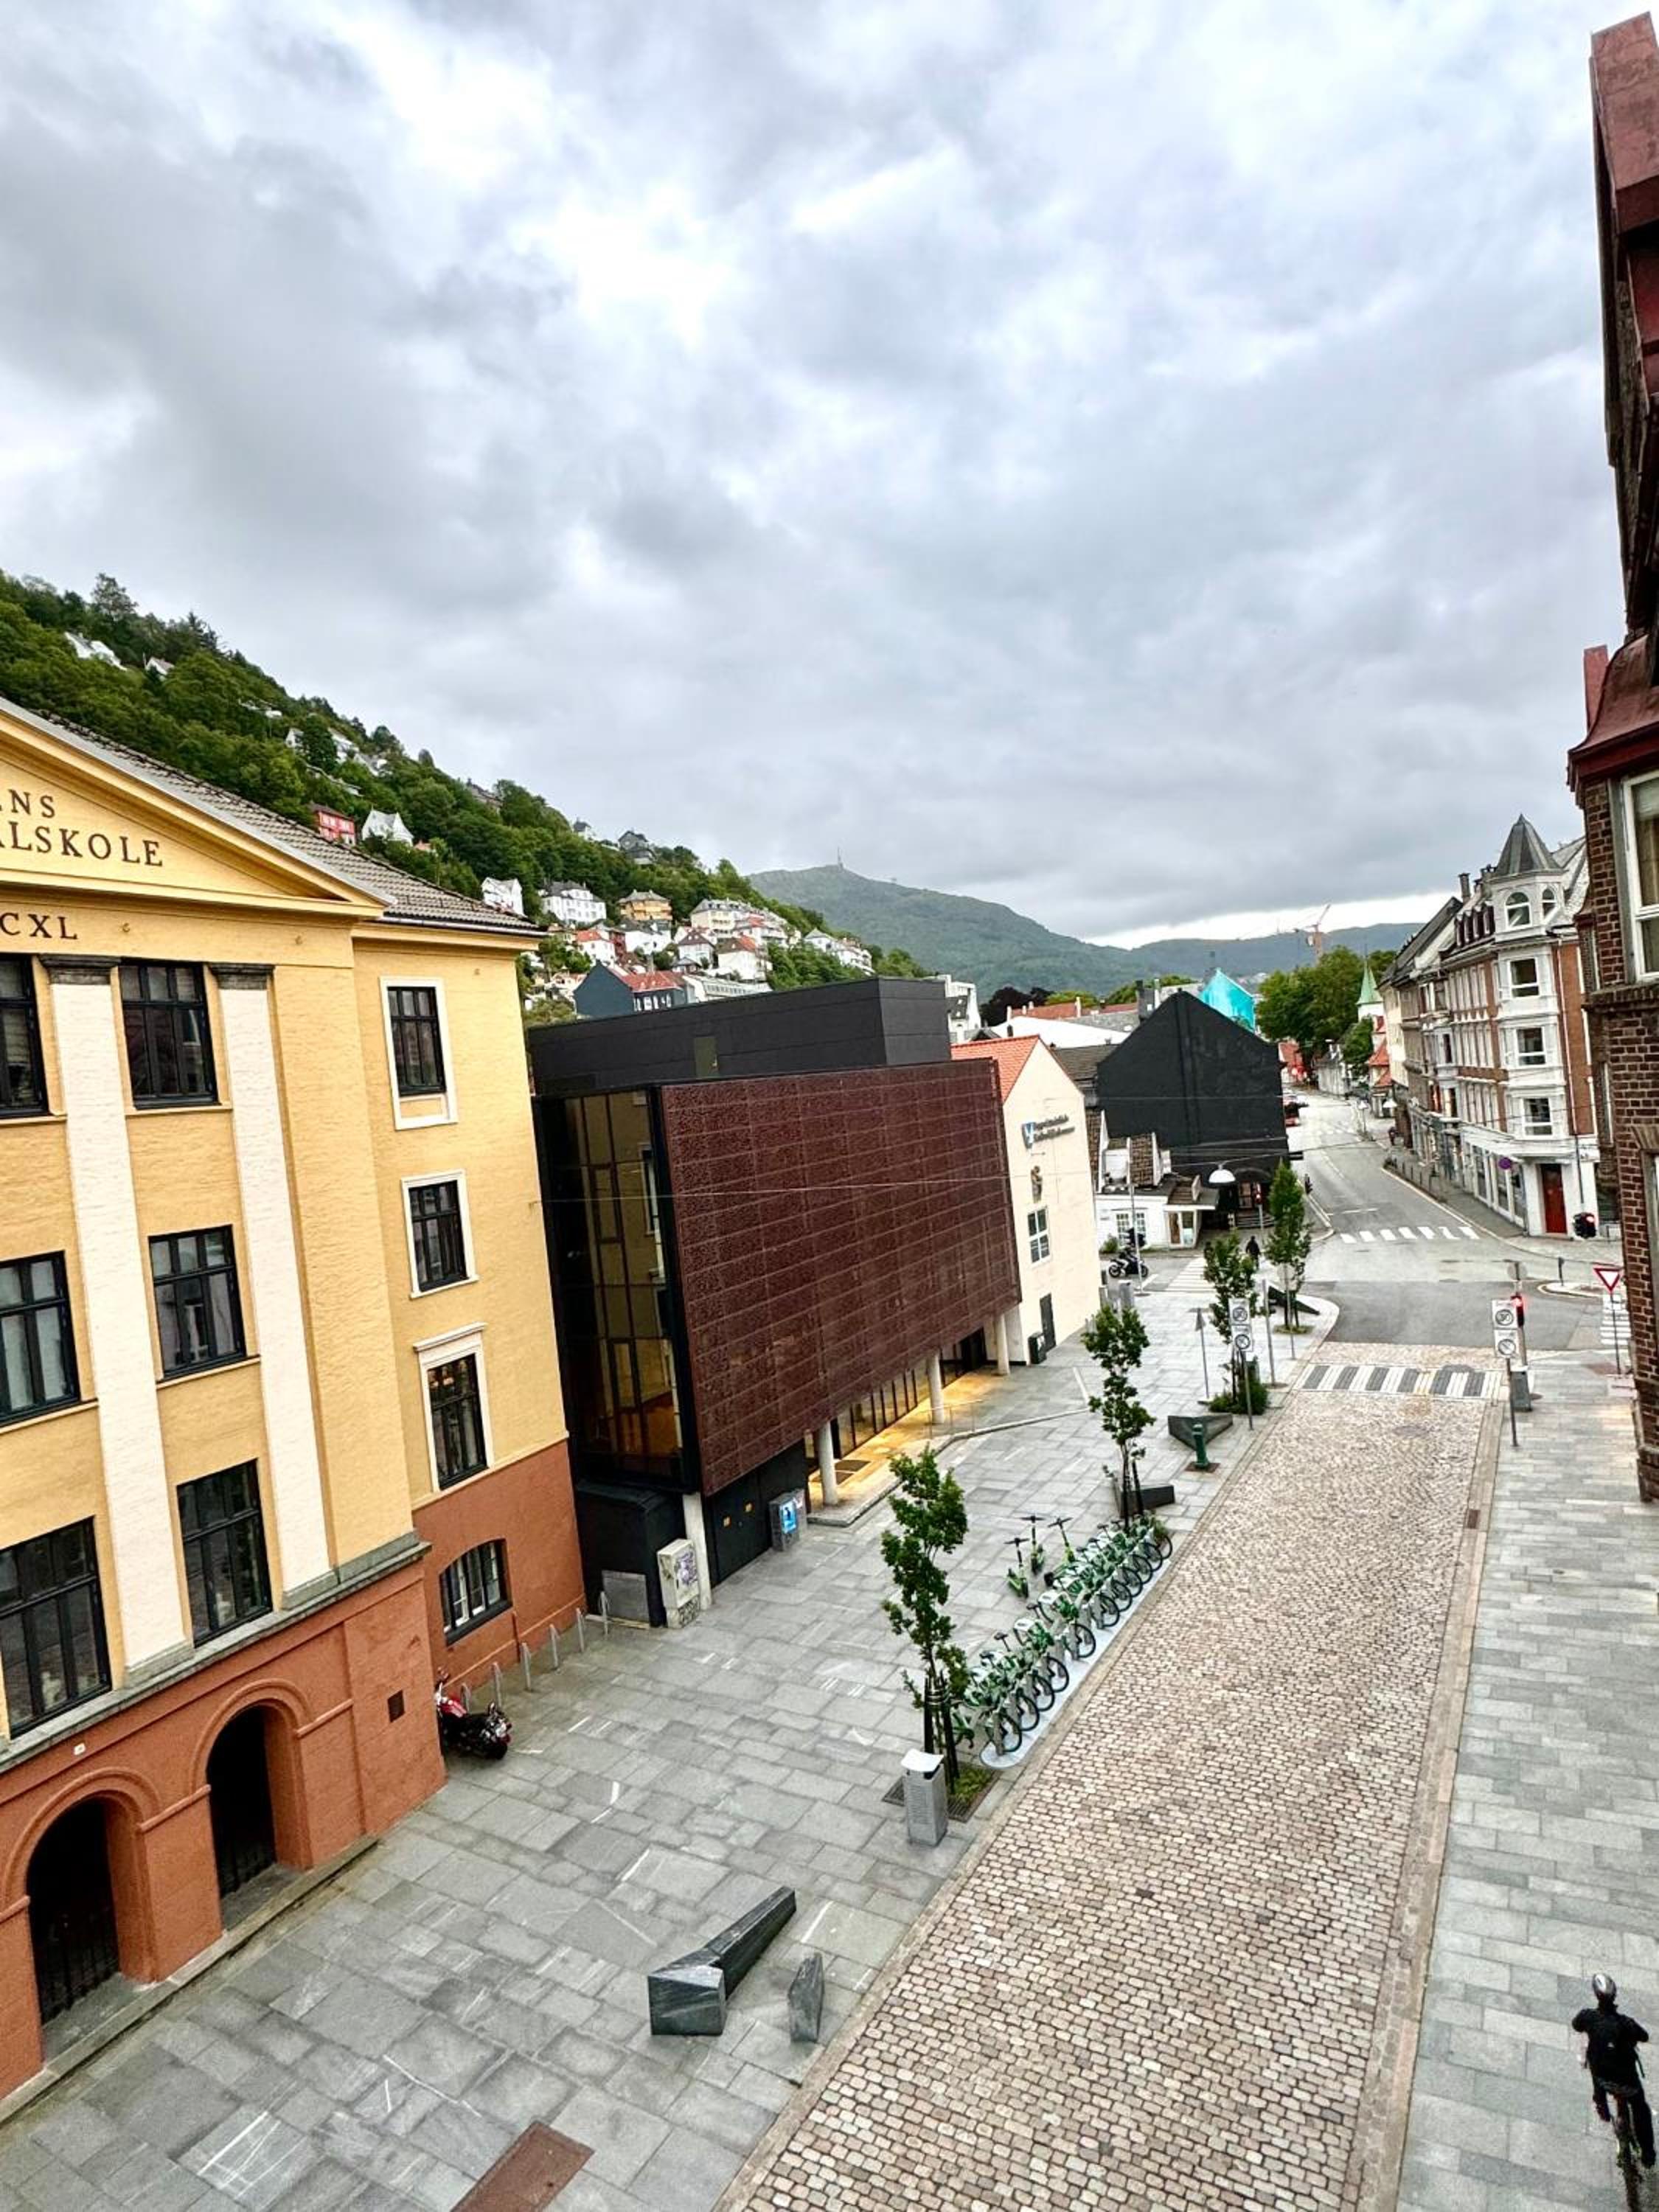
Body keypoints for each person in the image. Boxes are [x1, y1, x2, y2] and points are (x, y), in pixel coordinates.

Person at [1572, 1972, 1655, 2167]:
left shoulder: (1588, 2017)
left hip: (1603, 2082)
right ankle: (1648, 2154)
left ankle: (1601, 2103)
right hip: (1628, 2085)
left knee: (1596, 2065)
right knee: (1641, 2109)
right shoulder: (1626, 2023)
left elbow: (1576, 2025)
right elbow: (1644, 2036)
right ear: (1615, 1995)